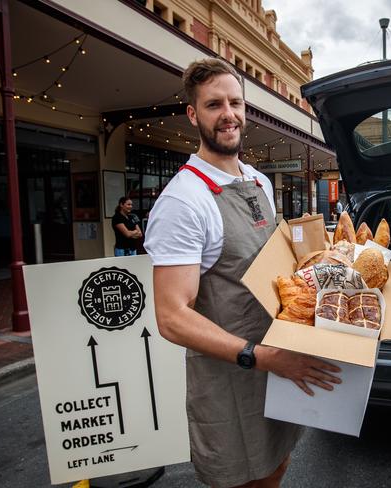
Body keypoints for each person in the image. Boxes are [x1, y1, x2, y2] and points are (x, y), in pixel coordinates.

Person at [144, 58, 341, 488]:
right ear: (194, 115)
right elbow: (172, 317)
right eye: (214, 105)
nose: (228, 114)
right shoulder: (183, 201)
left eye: (235, 102)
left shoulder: (258, 181)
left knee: (278, 464)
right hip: (232, 376)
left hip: (279, 360)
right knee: (243, 480)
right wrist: (263, 357)